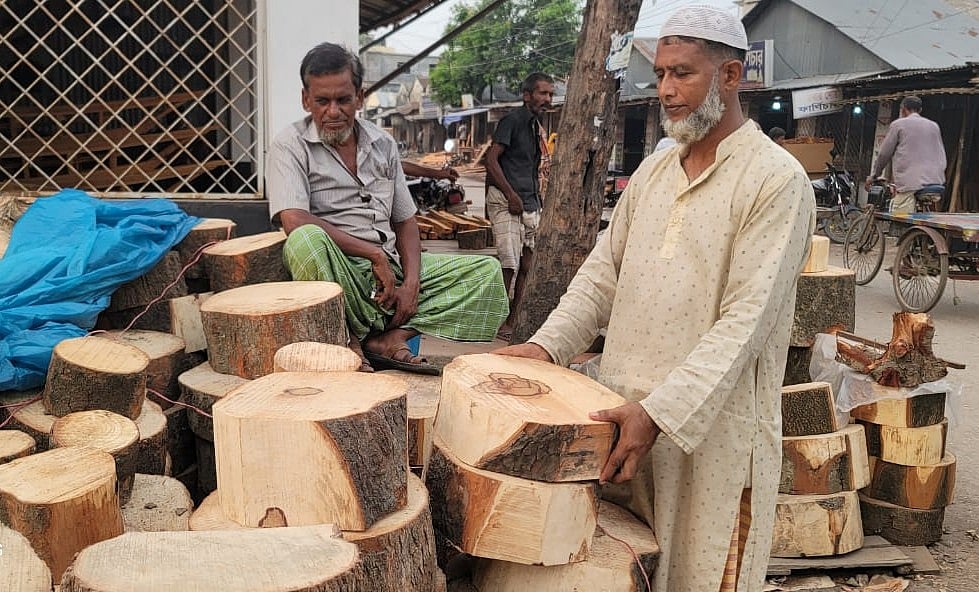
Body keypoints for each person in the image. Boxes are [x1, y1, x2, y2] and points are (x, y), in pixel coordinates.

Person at [496, 6, 815, 591]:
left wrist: (660, 413)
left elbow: (745, 323)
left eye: (683, 74)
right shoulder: (654, 170)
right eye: (662, 73)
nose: (666, 91)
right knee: (625, 573)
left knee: (701, 575)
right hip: (623, 422)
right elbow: (600, 276)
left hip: (711, 438)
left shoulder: (776, 180)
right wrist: (546, 348)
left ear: (730, 76)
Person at [266, 42, 509, 374]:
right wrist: (372, 254)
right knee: (304, 240)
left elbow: (405, 220)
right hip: (341, 274)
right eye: (322, 101)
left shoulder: (382, 143)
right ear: (306, 99)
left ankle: (390, 337)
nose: (333, 111)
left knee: (485, 273)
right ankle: (346, 338)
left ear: (360, 97)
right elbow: (293, 219)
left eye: (343, 100)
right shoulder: (288, 145)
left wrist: (410, 283)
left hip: (390, 272)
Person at [485, 72, 555, 342]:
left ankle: (513, 321)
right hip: (507, 200)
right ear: (527, 96)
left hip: (528, 201)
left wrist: (535, 200)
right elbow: (491, 160)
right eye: (542, 93)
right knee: (509, 265)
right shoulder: (512, 121)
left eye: (550, 94)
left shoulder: (537, 126)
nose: (547, 99)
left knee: (528, 264)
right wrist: (510, 194)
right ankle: (496, 319)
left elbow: (534, 169)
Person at [866, 95, 946, 213]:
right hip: (936, 183)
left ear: (903, 109)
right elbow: (941, 154)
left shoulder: (898, 125)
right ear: (920, 110)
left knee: (899, 218)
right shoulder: (934, 126)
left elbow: (884, 154)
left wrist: (874, 175)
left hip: (911, 183)